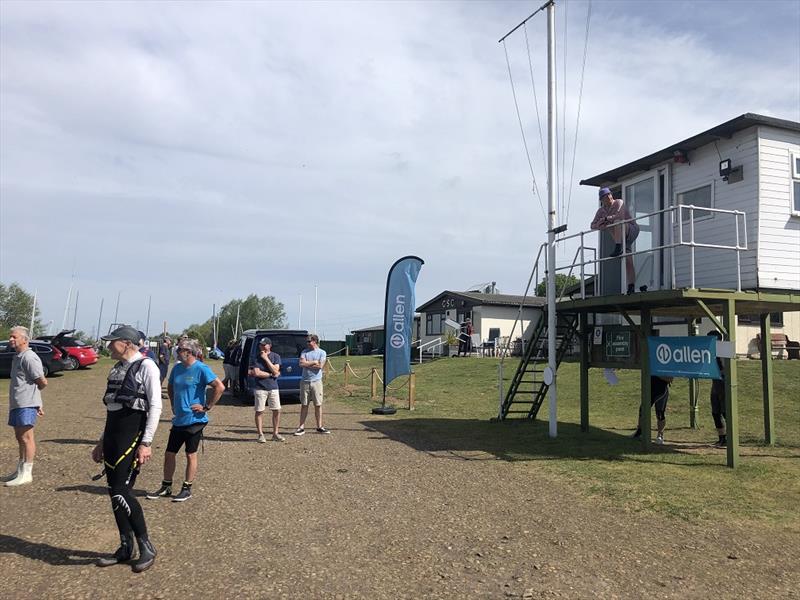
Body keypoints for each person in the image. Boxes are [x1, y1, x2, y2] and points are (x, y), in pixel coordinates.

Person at [92, 325, 162, 572]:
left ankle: (146, 546)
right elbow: (111, 408)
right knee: (114, 493)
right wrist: (101, 441)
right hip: (113, 436)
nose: (108, 346)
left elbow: (156, 407)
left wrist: (146, 443)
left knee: (121, 491)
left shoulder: (147, 366)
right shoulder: (116, 368)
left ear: (127, 343)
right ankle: (125, 547)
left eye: (113, 342)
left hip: (131, 438)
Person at [147, 338, 224, 503]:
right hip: (179, 419)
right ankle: (166, 486)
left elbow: (220, 387)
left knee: (190, 454)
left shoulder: (201, 368)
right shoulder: (177, 368)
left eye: (180, 349)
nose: (177, 351)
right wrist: (174, 404)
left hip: (195, 420)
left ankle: (187, 488)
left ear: (189, 352)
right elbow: (170, 386)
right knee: (169, 453)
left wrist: (207, 406)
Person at [3, 326, 47, 487]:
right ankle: (20, 469)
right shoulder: (17, 357)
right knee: (19, 438)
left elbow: (42, 382)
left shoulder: (29, 357)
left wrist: (35, 402)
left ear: (24, 339)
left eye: (14, 336)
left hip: (26, 404)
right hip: (17, 403)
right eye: (10, 336)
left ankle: (27, 473)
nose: (11, 339)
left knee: (27, 438)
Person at [591, 187, 641, 295]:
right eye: (606, 196)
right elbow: (592, 226)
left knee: (617, 221)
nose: (609, 197)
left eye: (609, 194)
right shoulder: (601, 211)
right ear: (601, 200)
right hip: (621, 236)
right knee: (628, 261)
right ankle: (631, 287)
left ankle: (618, 247)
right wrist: (601, 225)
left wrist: (605, 219)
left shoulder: (619, 202)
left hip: (631, 229)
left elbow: (620, 216)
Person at [248, 338, 283, 442]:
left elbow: (276, 370)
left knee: (277, 410)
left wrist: (266, 359)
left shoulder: (276, 356)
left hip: (273, 387)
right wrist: (271, 374)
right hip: (260, 388)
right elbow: (257, 373)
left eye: (264, 345)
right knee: (259, 411)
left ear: (269, 345)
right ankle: (260, 434)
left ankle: (275, 433)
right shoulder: (256, 358)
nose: (261, 347)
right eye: (260, 345)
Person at [294, 334, 329, 435]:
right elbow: (301, 364)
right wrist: (313, 362)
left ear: (314, 341)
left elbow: (320, 366)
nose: (307, 343)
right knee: (304, 404)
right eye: (307, 341)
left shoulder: (322, 352)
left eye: (309, 341)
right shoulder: (304, 352)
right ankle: (301, 427)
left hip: (317, 382)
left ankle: (319, 426)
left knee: (318, 404)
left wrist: (307, 364)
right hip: (305, 381)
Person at [631, 375, 672, 444]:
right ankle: (640, 432)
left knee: (660, 413)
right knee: (642, 409)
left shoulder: (665, 366)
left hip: (661, 391)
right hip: (650, 390)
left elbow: (670, 379)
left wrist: (656, 373)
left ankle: (660, 435)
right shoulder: (649, 365)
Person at [707, 331, 727, 448]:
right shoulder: (710, 352)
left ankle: (729, 438)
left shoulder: (724, 350)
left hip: (723, 381)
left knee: (725, 411)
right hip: (715, 382)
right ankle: (721, 437)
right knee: (715, 412)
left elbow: (726, 368)